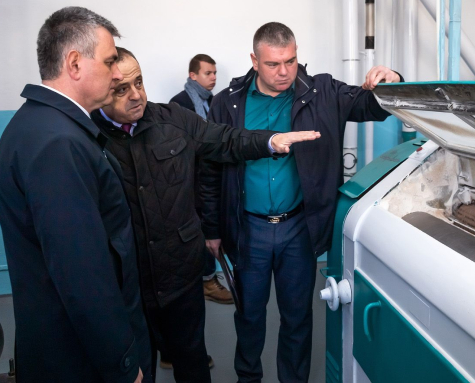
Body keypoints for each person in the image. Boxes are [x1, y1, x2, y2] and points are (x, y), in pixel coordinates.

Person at [90, 47, 320, 383]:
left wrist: (270, 141)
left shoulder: (173, 119)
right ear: (99, 88)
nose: (136, 95)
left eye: (139, 82)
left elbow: (225, 140)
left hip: (179, 277)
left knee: (192, 365)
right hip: (127, 284)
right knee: (136, 368)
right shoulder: (87, 136)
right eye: (121, 89)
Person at [201, 22, 403, 383]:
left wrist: (392, 79)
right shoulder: (227, 103)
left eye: (291, 61)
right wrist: (212, 229)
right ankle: (248, 378)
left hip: (298, 228)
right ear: (254, 61)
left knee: (297, 317)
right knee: (248, 316)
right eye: (273, 64)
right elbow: (210, 168)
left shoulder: (321, 92)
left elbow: (373, 105)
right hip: (248, 229)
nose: (284, 72)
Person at [0, 7, 151, 383]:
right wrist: (123, 364)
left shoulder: (42, 125)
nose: (118, 74)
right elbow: (82, 275)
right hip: (81, 361)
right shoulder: (58, 144)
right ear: (75, 63)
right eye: (110, 61)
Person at [170, 54, 233, 306]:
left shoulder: (214, 101)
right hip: (192, 179)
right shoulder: (180, 103)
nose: (214, 78)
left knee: (212, 224)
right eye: (208, 73)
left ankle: (211, 277)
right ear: (193, 75)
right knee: (201, 229)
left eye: (215, 73)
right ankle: (207, 281)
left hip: (211, 174)